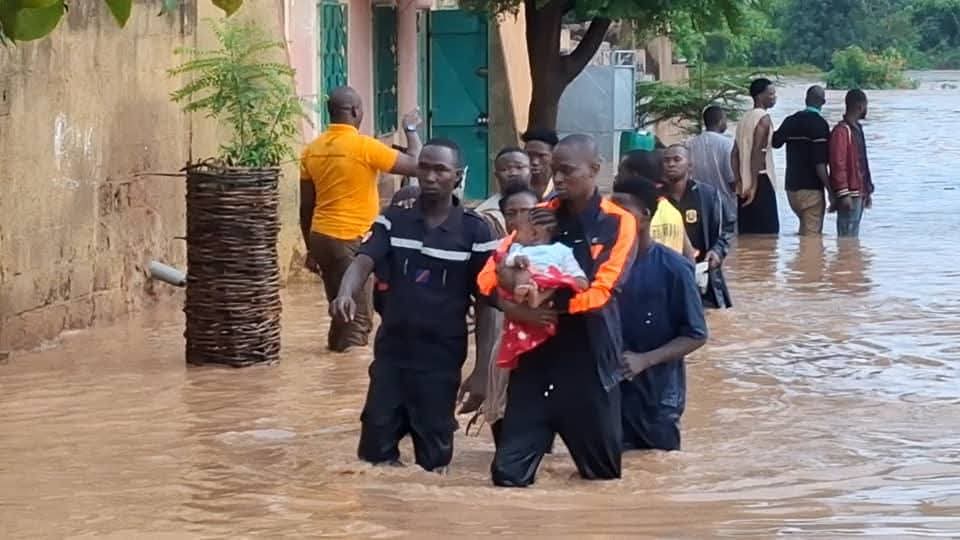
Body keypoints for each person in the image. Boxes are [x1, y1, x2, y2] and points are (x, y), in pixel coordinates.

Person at [478, 134, 637, 487]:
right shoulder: (539, 217)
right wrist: (514, 309)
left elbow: (603, 291)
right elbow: (489, 274)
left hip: (591, 366)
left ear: (595, 169)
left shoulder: (618, 222)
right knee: (506, 478)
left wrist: (548, 305)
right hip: (533, 364)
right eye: (555, 171)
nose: (558, 179)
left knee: (602, 481)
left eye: (567, 171)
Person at [329, 139, 497, 472]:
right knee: (374, 454)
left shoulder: (476, 232)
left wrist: (482, 373)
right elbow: (364, 260)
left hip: (441, 361)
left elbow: (489, 305)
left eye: (441, 169)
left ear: (458, 176)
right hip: (391, 355)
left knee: (433, 460)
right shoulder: (393, 220)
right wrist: (345, 292)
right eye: (424, 167)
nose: (431, 177)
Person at [300, 86, 422, 352]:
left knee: (340, 305)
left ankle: (333, 369)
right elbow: (417, 164)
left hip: (320, 237)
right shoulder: (364, 147)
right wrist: (411, 131)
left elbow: (306, 205)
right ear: (355, 111)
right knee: (357, 320)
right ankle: (347, 382)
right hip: (350, 241)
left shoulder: (312, 149)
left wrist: (310, 248)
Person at [610, 176, 708, 451]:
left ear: (644, 217)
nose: (612, 217)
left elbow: (696, 334)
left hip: (659, 399)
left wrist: (645, 360)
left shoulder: (674, 268)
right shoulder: (601, 265)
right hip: (611, 394)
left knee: (658, 472)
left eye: (621, 210)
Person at [495, 207, 588, 369]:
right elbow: (508, 261)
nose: (514, 236)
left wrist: (576, 280)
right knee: (524, 272)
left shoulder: (561, 251)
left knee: (557, 278)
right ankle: (527, 293)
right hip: (527, 280)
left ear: (534, 234)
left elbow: (576, 273)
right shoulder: (519, 250)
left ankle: (536, 296)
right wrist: (518, 261)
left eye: (519, 232)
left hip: (550, 284)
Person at [662, 144, 735, 309]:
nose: (671, 164)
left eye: (676, 159)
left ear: (690, 166)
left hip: (702, 274)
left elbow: (728, 224)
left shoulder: (709, 195)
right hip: (665, 274)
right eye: (666, 161)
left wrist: (718, 250)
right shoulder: (655, 197)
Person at [773, 85, 833, 235]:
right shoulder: (820, 125)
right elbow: (820, 163)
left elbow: (775, 142)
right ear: (823, 102)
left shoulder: (790, 120)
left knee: (804, 233)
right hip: (811, 190)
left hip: (791, 190)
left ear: (805, 99)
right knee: (811, 241)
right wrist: (831, 190)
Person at [618, 150, 696, 261]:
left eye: (621, 171)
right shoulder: (673, 212)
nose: (617, 177)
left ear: (635, 175)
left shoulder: (632, 215)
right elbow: (689, 256)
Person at [733, 78, 779, 235]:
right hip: (760, 181)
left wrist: (739, 181)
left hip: (743, 186)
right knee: (768, 234)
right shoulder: (763, 119)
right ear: (760, 96)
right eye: (771, 94)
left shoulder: (744, 119)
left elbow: (734, 153)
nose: (774, 97)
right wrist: (753, 186)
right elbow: (758, 152)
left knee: (747, 233)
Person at [830, 89, 874, 238]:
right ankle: (845, 261)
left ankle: (850, 261)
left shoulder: (856, 129)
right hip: (850, 193)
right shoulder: (841, 131)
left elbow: (862, 163)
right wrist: (843, 193)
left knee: (852, 236)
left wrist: (867, 191)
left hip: (859, 191)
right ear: (860, 106)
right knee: (846, 236)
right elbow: (838, 164)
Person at [687, 106, 737, 213]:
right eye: (725, 120)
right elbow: (732, 180)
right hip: (725, 207)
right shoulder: (727, 144)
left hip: (699, 204)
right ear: (720, 121)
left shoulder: (690, 144)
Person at [473, 147, 533, 237]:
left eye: (519, 167)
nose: (513, 173)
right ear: (497, 175)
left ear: (531, 171)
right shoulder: (486, 215)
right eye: (505, 169)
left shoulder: (546, 203)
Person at [521, 129, 559, 199]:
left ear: (553, 156)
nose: (535, 162)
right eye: (529, 155)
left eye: (541, 156)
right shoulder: (517, 186)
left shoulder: (561, 186)